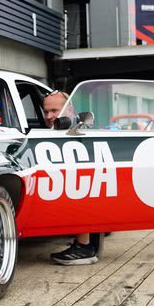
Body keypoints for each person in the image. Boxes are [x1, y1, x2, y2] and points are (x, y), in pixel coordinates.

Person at [42, 90, 101, 265]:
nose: (49, 116)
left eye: (54, 111)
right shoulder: (52, 129)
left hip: (83, 186)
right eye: (46, 111)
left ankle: (84, 247)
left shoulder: (82, 131)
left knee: (79, 184)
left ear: (69, 110)